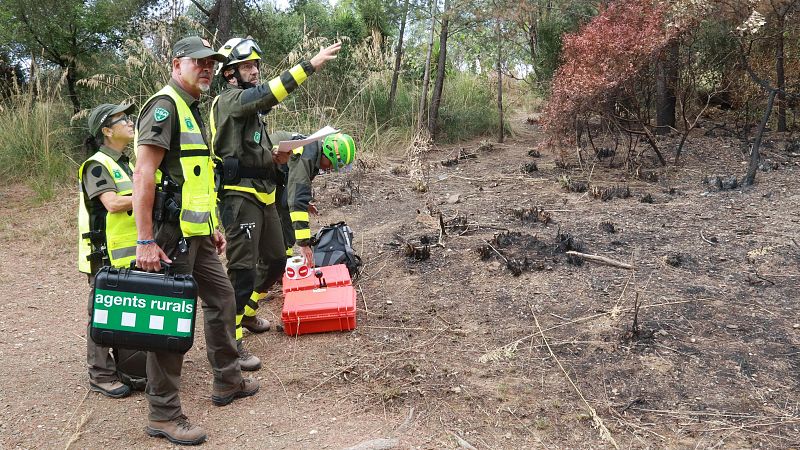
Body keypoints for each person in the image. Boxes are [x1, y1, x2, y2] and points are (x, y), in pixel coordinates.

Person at [132, 36, 258, 446]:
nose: (206, 68)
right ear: (176, 65)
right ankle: (164, 414)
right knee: (170, 320)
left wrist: (212, 226)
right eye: (197, 62)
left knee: (222, 299)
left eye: (211, 63)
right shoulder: (165, 106)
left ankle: (227, 380)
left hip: (197, 234)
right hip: (169, 236)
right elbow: (145, 174)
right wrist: (145, 239)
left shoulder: (190, 109)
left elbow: (195, 180)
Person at [210, 37, 341, 370]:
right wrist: (309, 65)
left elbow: (258, 155)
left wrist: (276, 157)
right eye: (247, 67)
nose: (254, 71)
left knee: (275, 260)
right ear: (229, 75)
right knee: (240, 270)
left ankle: (247, 315)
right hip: (239, 196)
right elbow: (265, 93)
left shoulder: (253, 116)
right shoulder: (230, 101)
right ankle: (231, 341)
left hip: (263, 193)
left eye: (256, 66)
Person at [77, 102, 138, 399]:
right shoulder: (97, 164)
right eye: (122, 118)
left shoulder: (125, 162)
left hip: (124, 252)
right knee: (102, 312)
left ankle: (128, 368)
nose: (130, 121)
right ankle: (101, 375)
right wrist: (147, 194)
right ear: (106, 130)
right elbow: (112, 203)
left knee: (125, 310)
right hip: (103, 253)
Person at [273, 132, 356, 263]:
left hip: (275, 176)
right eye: (331, 164)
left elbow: (295, 188)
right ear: (328, 154)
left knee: (285, 204)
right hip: (256, 174)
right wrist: (304, 244)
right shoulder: (307, 156)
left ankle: (283, 260)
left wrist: (305, 204)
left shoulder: (313, 150)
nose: (330, 169)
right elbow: (296, 200)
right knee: (280, 211)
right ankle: (277, 262)